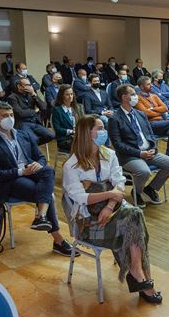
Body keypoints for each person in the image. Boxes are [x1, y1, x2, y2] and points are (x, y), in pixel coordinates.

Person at [61, 115, 161, 303]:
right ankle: (140, 275)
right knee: (134, 218)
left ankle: (137, 272)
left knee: (133, 216)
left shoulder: (109, 154)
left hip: (112, 213)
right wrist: (108, 193)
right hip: (90, 224)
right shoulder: (71, 165)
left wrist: (107, 204)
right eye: (99, 128)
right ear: (86, 133)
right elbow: (80, 197)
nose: (103, 132)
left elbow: (120, 183)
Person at [0, 103, 72, 255]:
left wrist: (38, 164)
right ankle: (58, 239)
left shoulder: (24, 134)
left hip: (32, 171)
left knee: (48, 170)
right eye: (5, 116)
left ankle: (41, 216)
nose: (9, 118)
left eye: (11, 115)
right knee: (46, 194)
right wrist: (21, 172)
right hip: (11, 181)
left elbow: (41, 157)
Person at [108, 84, 169, 208]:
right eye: (133, 94)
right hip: (129, 156)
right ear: (124, 97)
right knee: (144, 171)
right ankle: (137, 192)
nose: (136, 97)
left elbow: (150, 135)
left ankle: (150, 189)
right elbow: (118, 145)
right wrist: (139, 154)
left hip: (148, 151)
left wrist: (154, 148)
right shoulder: (115, 118)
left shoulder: (141, 114)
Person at [8, 77, 55, 144]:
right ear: (19, 86)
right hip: (23, 123)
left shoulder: (31, 95)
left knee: (51, 135)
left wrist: (34, 94)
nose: (30, 87)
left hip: (35, 122)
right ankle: (31, 146)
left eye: (30, 85)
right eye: (27, 85)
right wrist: (34, 111)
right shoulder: (12, 98)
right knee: (33, 139)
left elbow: (44, 108)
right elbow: (20, 113)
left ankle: (30, 146)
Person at [51, 85, 85, 153]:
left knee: (93, 141)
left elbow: (83, 123)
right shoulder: (57, 110)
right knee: (84, 145)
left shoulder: (78, 107)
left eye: (71, 94)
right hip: (65, 139)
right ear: (62, 96)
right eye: (67, 94)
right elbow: (58, 129)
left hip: (79, 137)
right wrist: (71, 131)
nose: (70, 97)